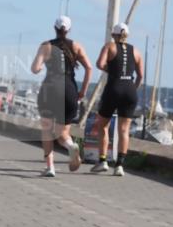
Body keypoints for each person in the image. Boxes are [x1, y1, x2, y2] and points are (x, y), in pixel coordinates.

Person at [30, 16, 92, 177]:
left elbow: (35, 69)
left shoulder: (46, 46)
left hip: (50, 90)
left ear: (54, 28)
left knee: (47, 130)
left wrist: (42, 63)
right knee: (62, 133)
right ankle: (71, 147)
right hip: (70, 91)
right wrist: (83, 91)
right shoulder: (77, 46)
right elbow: (89, 68)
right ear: (69, 30)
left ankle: (50, 167)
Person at [91, 22, 143, 177]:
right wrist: (133, 88)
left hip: (114, 87)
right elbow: (140, 76)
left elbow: (99, 64)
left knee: (103, 126)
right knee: (124, 130)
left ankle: (102, 161)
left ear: (114, 35)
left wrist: (112, 69)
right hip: (130, 90)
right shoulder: (137, 51)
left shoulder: (109, 46)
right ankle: (120, 165)